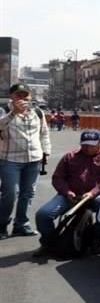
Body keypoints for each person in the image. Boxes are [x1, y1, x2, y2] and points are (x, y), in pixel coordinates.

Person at [33, 130, 100, 256]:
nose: (87, 148)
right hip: (70, 195)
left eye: (91, 145)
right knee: (43, 215)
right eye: (84, 145)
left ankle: (96, 238)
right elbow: (58, 178)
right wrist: (67, 192)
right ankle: (48, 243)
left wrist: (92, 193)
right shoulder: (70, 156)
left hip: (96, 195)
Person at [0, 83, 51, 238]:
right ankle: (1, 225)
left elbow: (44, 133)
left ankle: (21, 224)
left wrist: (45, 152)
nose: (22, 98)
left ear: (30, 96)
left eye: (25, 95)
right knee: (10, 194)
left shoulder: (37, 112)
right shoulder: (5, 111)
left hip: (33, 159)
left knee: (27, 193)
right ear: (12, 97)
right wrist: (13, 113)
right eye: (18, 95)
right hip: (10, 159)